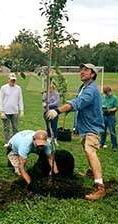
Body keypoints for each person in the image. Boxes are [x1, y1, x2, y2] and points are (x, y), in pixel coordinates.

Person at [46, 63, 105, 201]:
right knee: (87, 149)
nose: (82, 72)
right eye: (81, 70)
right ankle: (91, 173)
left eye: (86, 70)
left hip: (93, 127)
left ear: (93, 74)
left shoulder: (91, 90)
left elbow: (77, 103)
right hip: (85, 127)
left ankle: (100, 187)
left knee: (90, 151)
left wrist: (58, 110)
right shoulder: (83, 88)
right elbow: (76, 104)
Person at [0, 73, 24, 147]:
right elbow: (0, 100)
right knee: (6, 128)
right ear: (8, 79)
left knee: (15, 128)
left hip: (15, 111)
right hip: (6, 111)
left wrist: (21, 110)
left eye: (14, 80)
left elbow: (20, 100)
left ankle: (15, 142)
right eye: (11, 80)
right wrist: (2, 111)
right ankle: (7, 142)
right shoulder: (3, 88)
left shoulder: (18, 88)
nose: (12, 81)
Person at [100, 86, 118, 151]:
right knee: (103, 131)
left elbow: (116, 107)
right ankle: (101, 143)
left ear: (110, 91)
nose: (107, 95)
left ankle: (114, 145)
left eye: (107, 93)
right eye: (105, 94)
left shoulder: (115, 98)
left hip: (111, 116)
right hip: (103, 116)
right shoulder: (102, 97)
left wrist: (110, 110)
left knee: (112, 132)